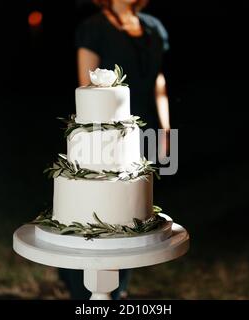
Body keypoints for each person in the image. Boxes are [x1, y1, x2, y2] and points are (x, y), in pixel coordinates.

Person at [59, 0, 171, 300]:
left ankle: (118, 288)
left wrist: (165, 127)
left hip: (142, 130)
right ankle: (82, 290)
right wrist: (105, 131)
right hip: (104, 135)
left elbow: (159, 79)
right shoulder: (93, 28)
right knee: (95, 211)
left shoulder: (154, 28)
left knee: (127, 211)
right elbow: (88, 84)